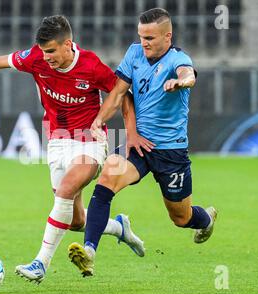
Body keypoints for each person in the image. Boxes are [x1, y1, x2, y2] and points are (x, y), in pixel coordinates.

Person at [0, 15, 151, 284]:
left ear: (68, 44)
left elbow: (122, 94)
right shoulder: (35, 58)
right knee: (75, 221)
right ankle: (118, 227)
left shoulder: (91, 66)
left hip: (90, 141)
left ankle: (41, 263)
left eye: (52, 51)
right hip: (55, 140)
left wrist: (131, 131)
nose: (47, 57)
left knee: (65, 191)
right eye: (43, 51)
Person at [68, 8, 218, 277]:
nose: (144, 42)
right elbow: (118, 93)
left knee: (180, 217)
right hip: (137, 146)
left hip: (171, 151)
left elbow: (189, 75)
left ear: (167, 36)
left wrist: (180, 82)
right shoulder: (134, 53)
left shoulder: (178, 59)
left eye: (149, 37)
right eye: (141, 36)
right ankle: (89, 252)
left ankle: (205, 219)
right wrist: (99, 120)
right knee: (106, 181)